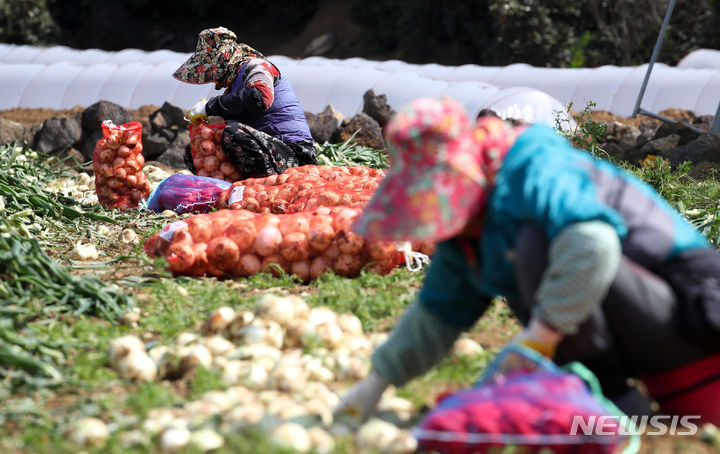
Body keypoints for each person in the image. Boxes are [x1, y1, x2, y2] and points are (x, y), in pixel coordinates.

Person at [335, 97, 720, 425]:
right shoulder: (475, 221)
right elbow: (439, 310)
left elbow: (593, 243)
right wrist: (376, 383)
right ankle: (605, 393)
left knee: (536, 244)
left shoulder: (535, 165)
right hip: (642, 325)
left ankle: (612, 396)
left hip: (692, 315)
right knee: (517, 251)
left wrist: (539, 338)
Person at [173, 26, 317, 178]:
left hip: (294, 155)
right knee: (195, 150)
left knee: (233, 133)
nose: (211, 79)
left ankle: (265, 186)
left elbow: (260, 97)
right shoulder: (232, 86)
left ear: (221, 62)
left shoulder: (257, 67)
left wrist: (210, 107)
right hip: (267, 153)